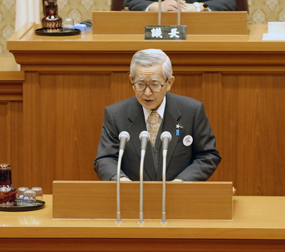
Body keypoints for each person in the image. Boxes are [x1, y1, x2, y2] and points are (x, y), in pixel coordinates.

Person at [94, 49, 221, 181]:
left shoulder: (192, 111)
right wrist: (122, 181)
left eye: (155, 84)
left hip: (179, 196)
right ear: (131, 81)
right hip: (133, 197)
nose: (147, 92)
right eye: (141, 84)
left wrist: (182, 181)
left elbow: (208, 156)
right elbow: (105, 159)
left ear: (169, 83)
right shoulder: (116, 114)